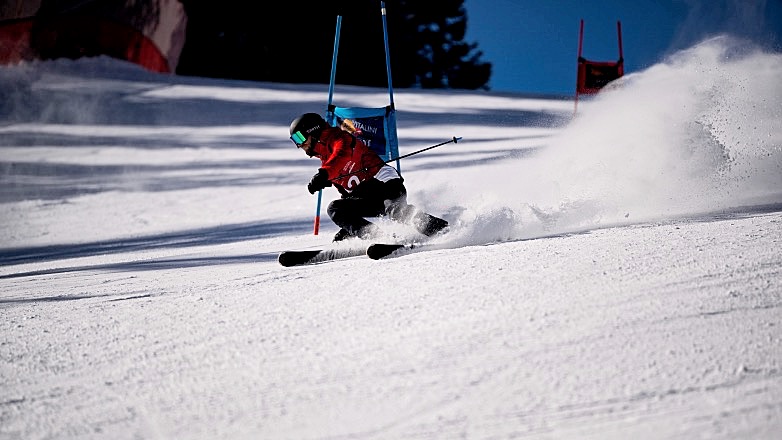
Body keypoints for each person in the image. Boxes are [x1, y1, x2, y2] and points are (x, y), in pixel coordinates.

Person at [289, 112, 449, 242]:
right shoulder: (326, 161)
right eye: (295, 140)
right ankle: (378, 237)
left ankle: (442, 230)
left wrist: (324, 174)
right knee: (335, 208)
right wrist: (349, 226)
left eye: (300, 138)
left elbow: (342, 154)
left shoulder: (341, 138)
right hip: (366, 197)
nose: (299, 145)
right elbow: (347, 195)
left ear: (313, 131)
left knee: (396, 211)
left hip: (384, 183)